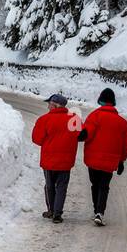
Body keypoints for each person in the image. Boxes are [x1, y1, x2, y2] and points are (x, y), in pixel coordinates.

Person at [79, 87, 127, 227]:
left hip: (93, 159)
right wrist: (121, 161)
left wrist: (80, 135)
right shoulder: (123, 123)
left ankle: (96, 210)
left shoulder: (94, 116)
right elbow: (125, 146)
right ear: (113, 102)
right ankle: (100, 213)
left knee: (94, 185)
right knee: (104, 186)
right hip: (110, 161)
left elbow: (86, 134)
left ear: (100, 100)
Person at [31, 93, 82, 224]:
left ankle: (51, 210)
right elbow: (81, 136)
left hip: (49, 161)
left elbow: (37, 139)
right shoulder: (74, 119)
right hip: (66, 161)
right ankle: (57, 214)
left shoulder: (44, 119)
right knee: (62, 187)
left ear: (54, 105)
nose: (48, 106)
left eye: (49, 104)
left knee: (49, 186)